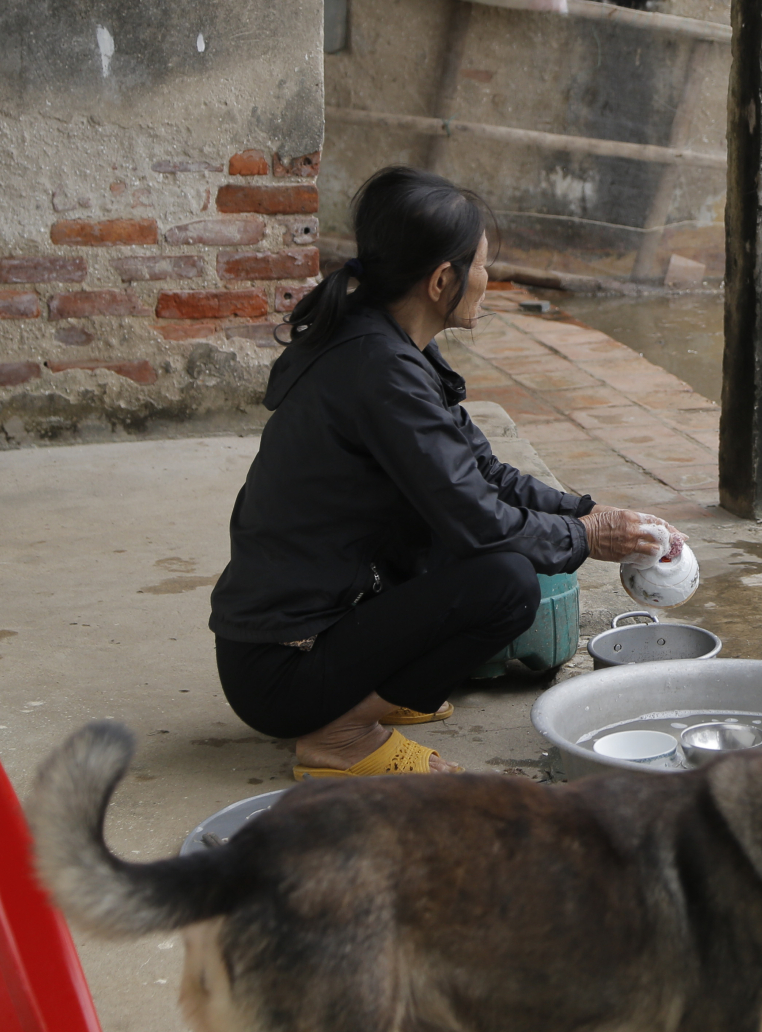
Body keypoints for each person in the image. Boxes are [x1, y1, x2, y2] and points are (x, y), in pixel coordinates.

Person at [209, 166, 677, 778]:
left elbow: (481, 472)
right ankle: (342, 735)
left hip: (307, 633)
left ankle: (369, 695)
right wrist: (587, 539)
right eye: (481, 265)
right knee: (506, 582)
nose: (489, 278)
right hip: (280, 671)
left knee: (477, 550)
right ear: (441, 280)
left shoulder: (386, 343)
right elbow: (481, 520)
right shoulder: (379, 371)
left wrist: (593, 516)